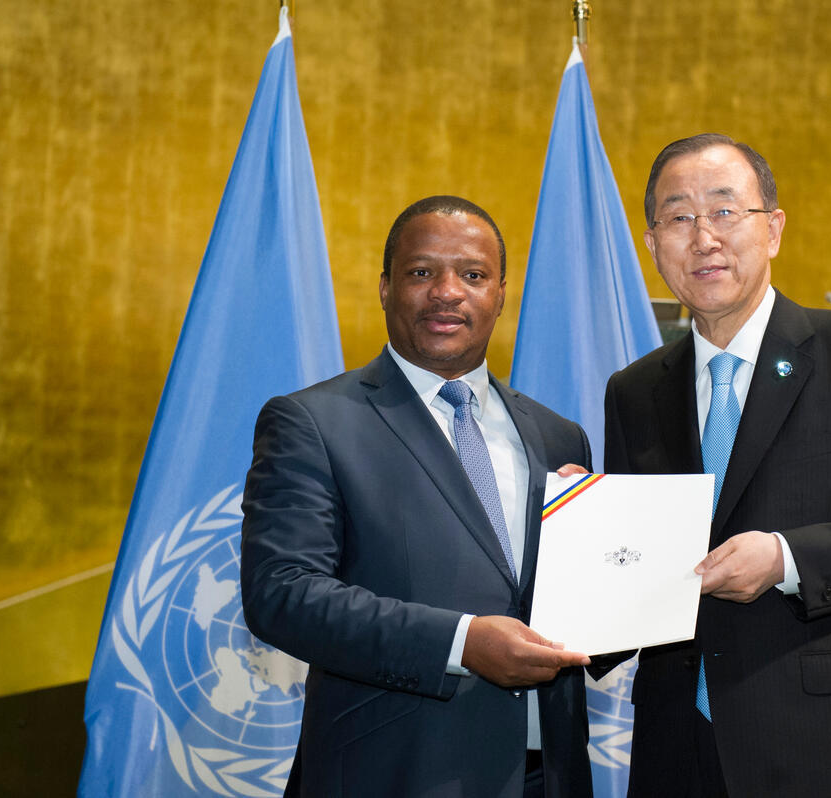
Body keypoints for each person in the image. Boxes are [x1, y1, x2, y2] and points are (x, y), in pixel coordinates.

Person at [602, 134, 831, 796]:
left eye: (724, 211)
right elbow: (636, 568)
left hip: (817, 744)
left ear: (772, 229)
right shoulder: (633, 391)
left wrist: (785, 558)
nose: (704, 238)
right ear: (653, 245)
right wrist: (585, 531)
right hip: (674, 747)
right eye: (679, 217)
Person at [241, 195, 595, 798]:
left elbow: (572, 610)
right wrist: (461, 644)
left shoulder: (559, 435)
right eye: (422, 272)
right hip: (394, 773)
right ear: (385, 288)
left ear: (500, 294)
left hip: (549, 777)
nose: (447, 292)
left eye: (473, 275)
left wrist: (621, 575)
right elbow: (283, 593)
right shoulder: (314, 422)